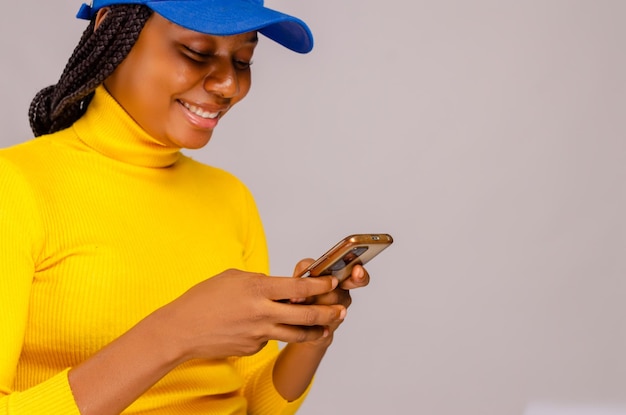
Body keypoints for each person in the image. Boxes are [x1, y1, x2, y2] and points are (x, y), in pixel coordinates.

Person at [0, 1, 370, 414]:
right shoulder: (14, 187)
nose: (228, 85)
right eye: (196, 52)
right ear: (109, 31)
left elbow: (253, 404)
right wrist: (174, 333)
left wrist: (312, 335)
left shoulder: (231, 197)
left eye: (244, 60)